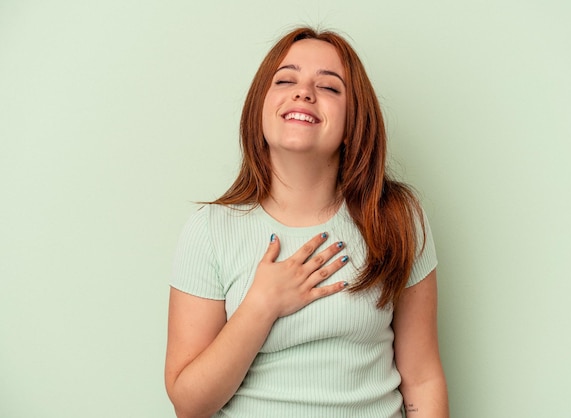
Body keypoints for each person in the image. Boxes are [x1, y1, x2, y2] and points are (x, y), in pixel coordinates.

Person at [165, 27, 448, 418]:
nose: (303, 92)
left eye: (330, 87)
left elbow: (423, 379)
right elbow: (189, 404)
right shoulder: (210, 230)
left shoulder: (397, 218)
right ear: (260, 108)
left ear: (354, 122)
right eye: (285, 80)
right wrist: (261, 305)